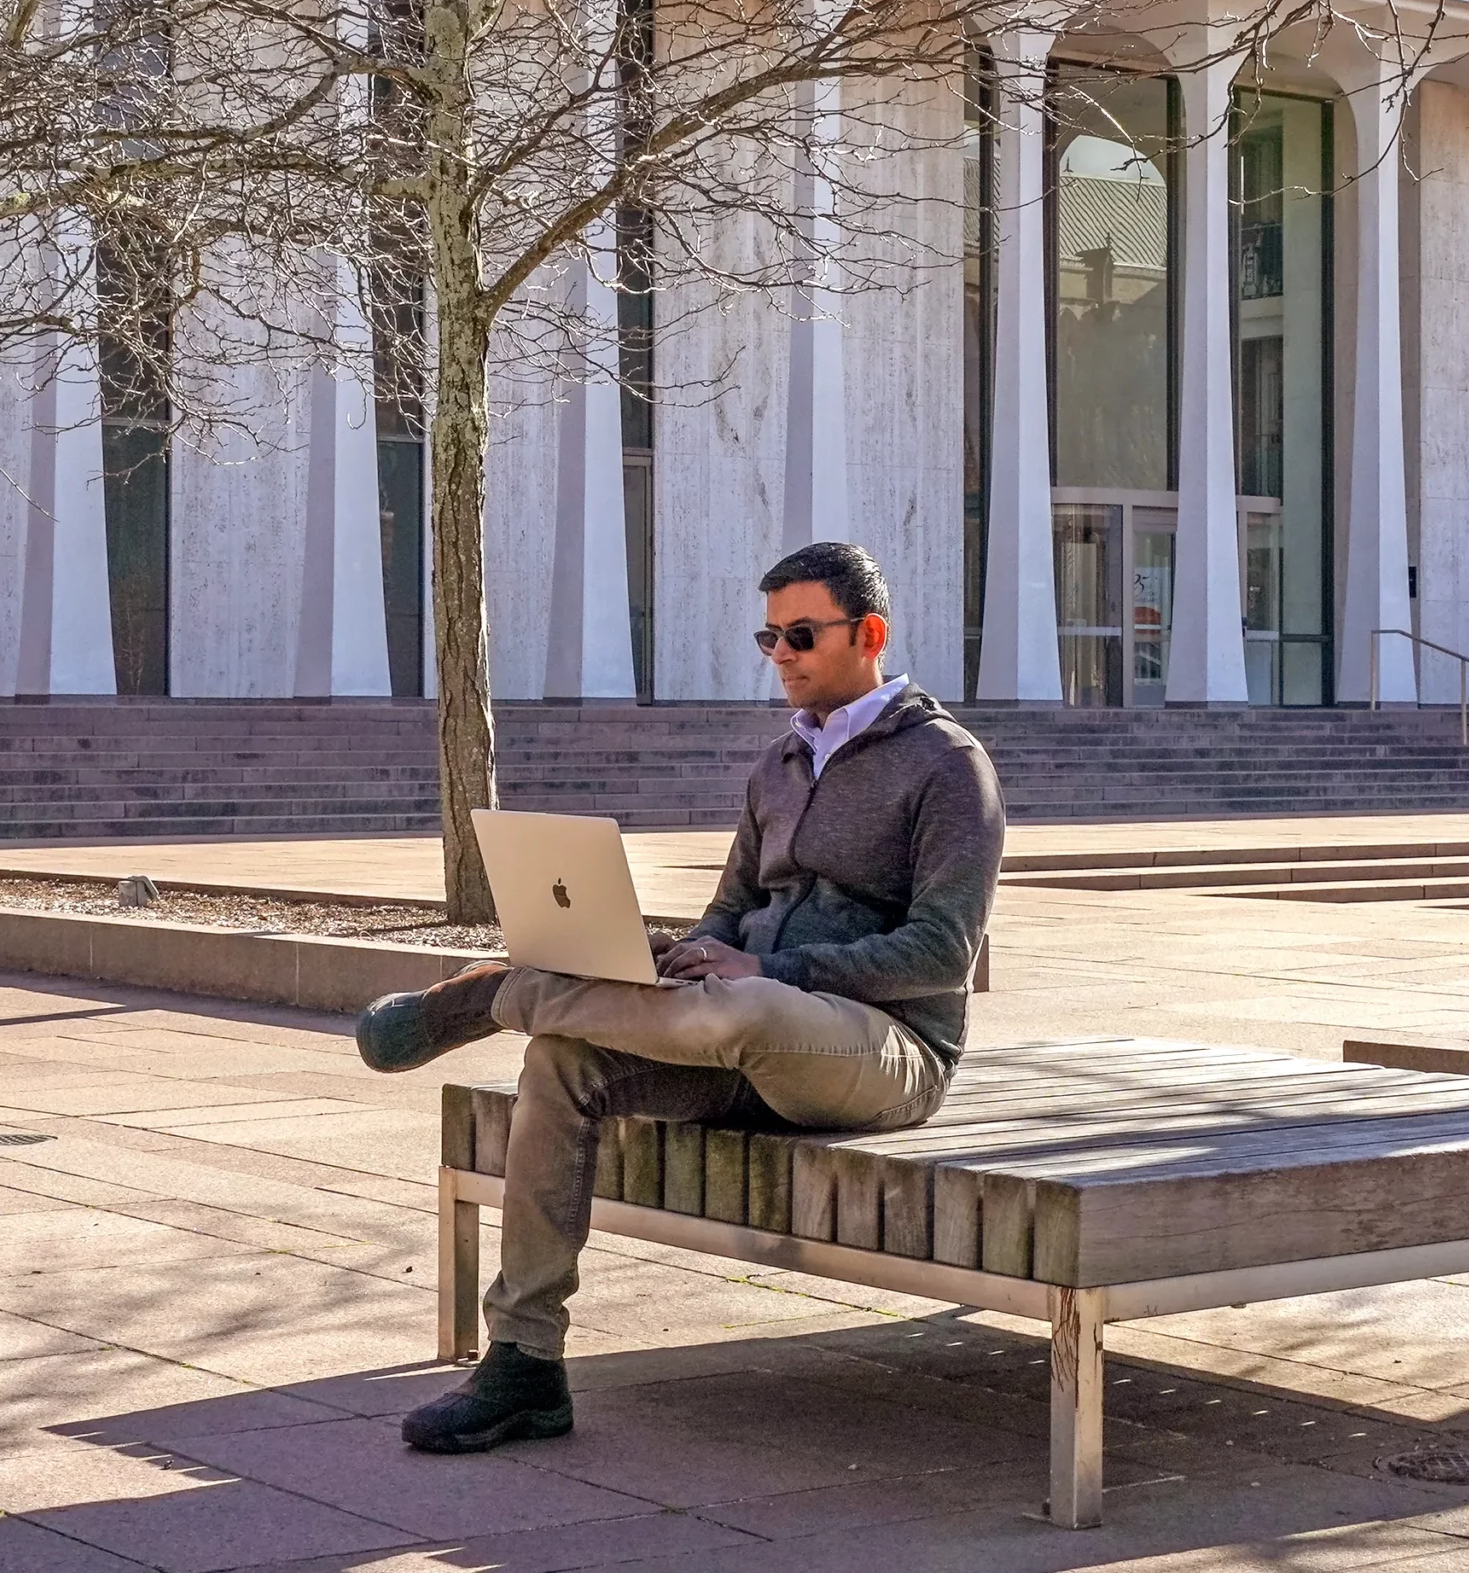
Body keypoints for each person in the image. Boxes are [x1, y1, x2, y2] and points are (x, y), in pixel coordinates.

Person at [353, 540, 1005, 1454]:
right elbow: (731, 916)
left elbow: (944, 952)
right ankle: (525, 1364)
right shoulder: (778, 765)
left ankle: (491, 996)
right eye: (768, 635)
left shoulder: (947, 766)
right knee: (562, 1059)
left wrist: (769, 973)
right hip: (739, 1038)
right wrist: (672, 956)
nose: (780, 653)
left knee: (744, 1007)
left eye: (801, 635)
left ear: (870, 634)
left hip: (884, 1050)